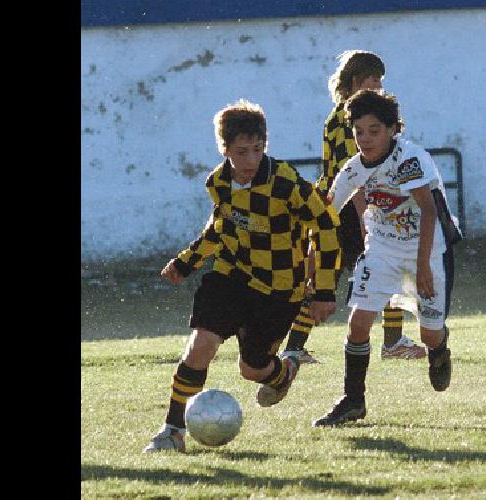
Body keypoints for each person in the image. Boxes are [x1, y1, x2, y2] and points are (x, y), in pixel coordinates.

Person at [144, 99, 342, 452]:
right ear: (225, 149)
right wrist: (186, 263)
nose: (251, 161)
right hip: (230, 276)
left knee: (252, 369)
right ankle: (172, 430)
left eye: (257, 150)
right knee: (200, 344)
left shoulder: (287, 185)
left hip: (279, 290)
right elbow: (219, 228)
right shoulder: (218, 182)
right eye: (241, 152)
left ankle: (284, 372)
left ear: (265, 145)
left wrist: (324, 289)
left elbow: (327, 227)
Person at [313, 89, 461, 426]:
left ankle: (439, 349)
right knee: (358, 324)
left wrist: (422, 266)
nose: (365, 139)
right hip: (381, 249)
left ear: (394, 128)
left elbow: (427, 212)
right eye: (359, 131)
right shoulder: (353, 169)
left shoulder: (408, 160)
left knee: (429, 334)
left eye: (374, 130)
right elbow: (326, 214)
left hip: (428, 249)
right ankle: (353, 401)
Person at [281, 50, 428, 364]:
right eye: (372, 79)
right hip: (348, 206)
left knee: (331, 273)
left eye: (380, 80)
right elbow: (358, 172)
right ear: (354, 81)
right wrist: (365, 217)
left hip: (335, 203)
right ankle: (390, 343)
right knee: (379, 266)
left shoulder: (340, 115)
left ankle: (295, 345)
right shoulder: (351, 119)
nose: (377, 86)